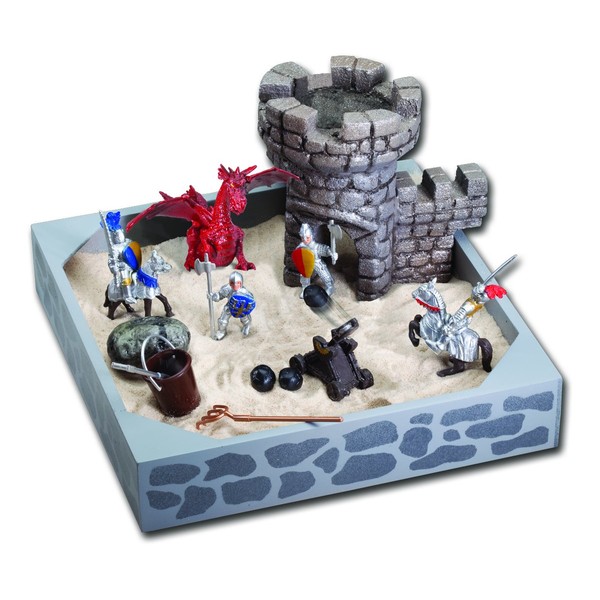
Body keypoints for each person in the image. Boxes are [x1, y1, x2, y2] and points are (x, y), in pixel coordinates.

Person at [209, 271, 255, 340]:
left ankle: (246, 326)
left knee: (245, 318)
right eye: (233, 283)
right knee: (223, 320)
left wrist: (246, 306)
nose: (235, 285)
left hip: (242, 307)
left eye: (238, 283)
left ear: (241, 283)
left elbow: (250, 300)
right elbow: (220, 295)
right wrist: (215, 296)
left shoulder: (244, 291)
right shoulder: (227, 289)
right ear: (230, 283)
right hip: (230, 305)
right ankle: (222, 331)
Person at [296, 223, 336, 298]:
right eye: (303, 238)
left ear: (311, 236)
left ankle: (330, 287)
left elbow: (324, 250)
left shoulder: (315, 246)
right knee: (304, 276)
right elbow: (297, 255)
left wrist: (331, 253)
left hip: (316, 262)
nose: (305, 240)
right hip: (306, 263)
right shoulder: (301, 246)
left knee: (324, 273)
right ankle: (305, 288)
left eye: (307, 238)